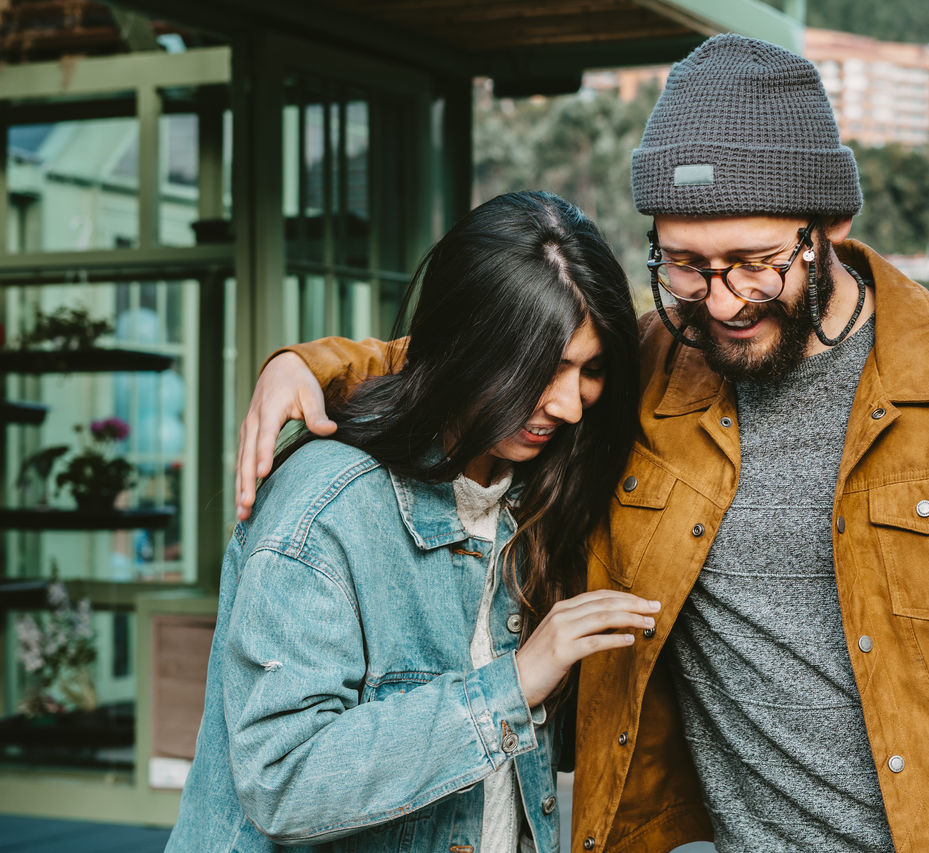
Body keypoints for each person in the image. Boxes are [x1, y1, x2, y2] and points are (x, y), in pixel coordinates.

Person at [235, 36, 929, 853]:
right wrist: (313, 366)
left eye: (754, 262)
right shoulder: (651, 368)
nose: (724, 300)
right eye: (685, 266)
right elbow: (489, 349)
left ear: (826, 225)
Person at [168, 191, 659, 853]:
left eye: (591, 369)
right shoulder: (330, 503)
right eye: (542, 370)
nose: (569, 404)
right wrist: (511, 687)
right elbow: (282, 779)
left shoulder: (538, 494)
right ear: (469, 346)